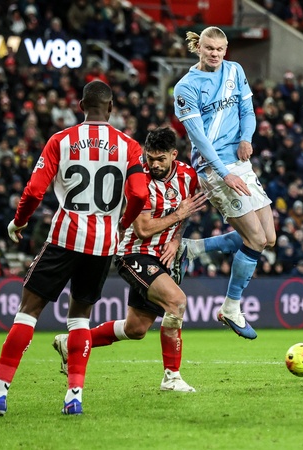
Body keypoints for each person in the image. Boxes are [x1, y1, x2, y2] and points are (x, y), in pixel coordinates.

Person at [0, 80, 148, 416]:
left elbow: (35, 191)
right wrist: (122, 223)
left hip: (66, 237)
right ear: (110, 108)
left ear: (81, 106)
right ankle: (74, 397)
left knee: (28, 311)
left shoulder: (61, 141)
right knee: (79, 319)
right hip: (103, 244)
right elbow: (139, 194)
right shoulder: (129, 146)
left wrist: (18, 222)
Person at [52, 127, 207, 392]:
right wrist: (178, 215)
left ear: (174, 155)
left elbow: (187, 211)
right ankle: (171, 377)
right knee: (177, 302)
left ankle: (71, 343)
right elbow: (143, 229)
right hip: (133, 253)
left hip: (161, 256)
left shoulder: (188, 176)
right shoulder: (139, 180)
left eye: (161, 159)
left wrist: (176, 239)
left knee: (136, 329)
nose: (154, 164)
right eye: (150, 158)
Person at [173, 26, 276, 340]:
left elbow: (248, 110)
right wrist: (224, 173)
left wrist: (246, 138)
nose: (215, 54)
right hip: (214, 168)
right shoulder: (186, 87)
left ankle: (191, 248)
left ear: (226, 49)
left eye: (219, 49)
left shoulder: (235, 71)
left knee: (269, 238)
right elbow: (199, 139)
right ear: (199, 48)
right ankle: (231, 307)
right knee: (255, 239)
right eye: (209, 48)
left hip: (240, 163)